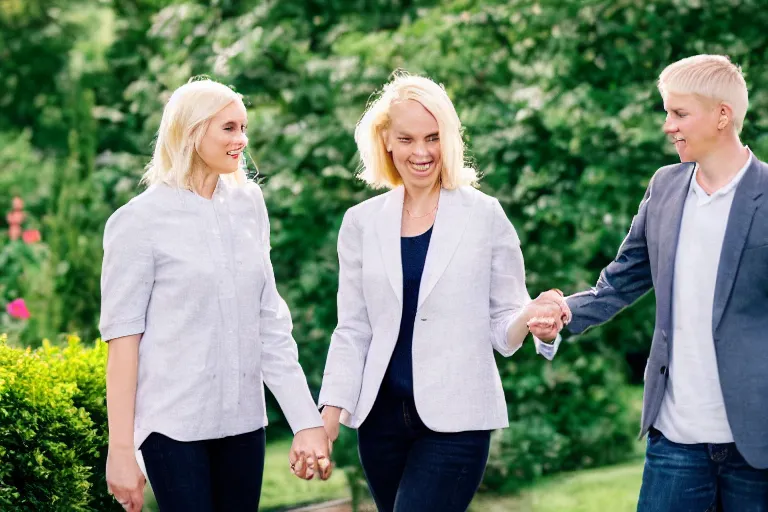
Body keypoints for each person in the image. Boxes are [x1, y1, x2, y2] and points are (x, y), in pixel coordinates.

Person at [318, 72, 567, 512]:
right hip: (380, 424)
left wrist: (535, 321)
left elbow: (504, 321)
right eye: (408, 138)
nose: (421, 152)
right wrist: (328, 420)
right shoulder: (360, 222)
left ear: (448, 140)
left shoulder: (484, 215)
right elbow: (353, 330)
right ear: (386, 142)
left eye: (432, 138)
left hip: (457, 421)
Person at [530, 55, 768, 511]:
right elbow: (620, 281)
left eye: (679, 113)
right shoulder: (664, 188)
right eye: (666, 112)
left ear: (722, 115)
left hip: (756, 447)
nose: (667, 125)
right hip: (674, 441)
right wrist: (560, 315)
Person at [100, 78, 331, 512]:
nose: (241, 139)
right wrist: (121, 450)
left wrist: (306, 421)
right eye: (228, 128)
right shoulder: (137, 222)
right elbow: (123, 343)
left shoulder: (249, 205)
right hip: (172, 427)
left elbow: (270, 324)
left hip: (243, 423)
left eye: (243, 127)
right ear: (191, 131)